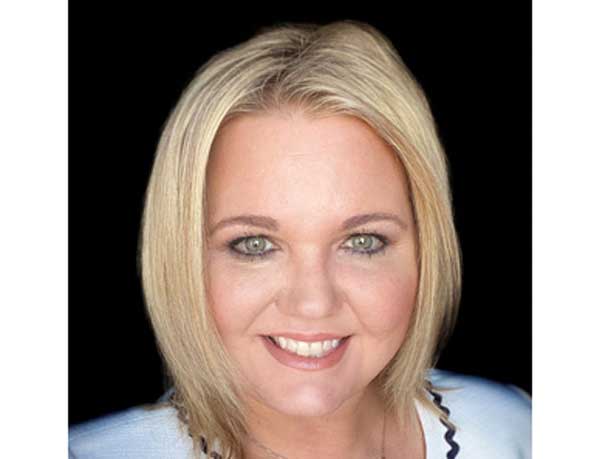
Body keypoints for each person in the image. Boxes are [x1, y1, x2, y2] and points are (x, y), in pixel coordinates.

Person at [69, 20, 531, 459]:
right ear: (180, 256)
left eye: (362, 241)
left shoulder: (517, 430)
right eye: (254, 244)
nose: (313, 304)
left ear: (426, 250)